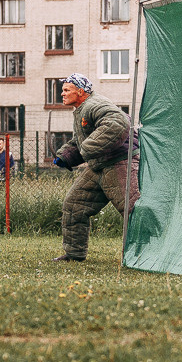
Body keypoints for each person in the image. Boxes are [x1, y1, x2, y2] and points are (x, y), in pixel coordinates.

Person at [51, 73, 139, 262]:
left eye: (67, 90)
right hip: (99, 165)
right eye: (63, 90)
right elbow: (82, 141)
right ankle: (74, 254)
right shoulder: (82, 108)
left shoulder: (94, 104)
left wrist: (87, 149)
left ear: (81, 92)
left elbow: (118, 123)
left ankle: (147, 254)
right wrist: (65, 157)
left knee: (133, 211)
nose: (62, 94)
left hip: (119, 162)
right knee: (75, 206)